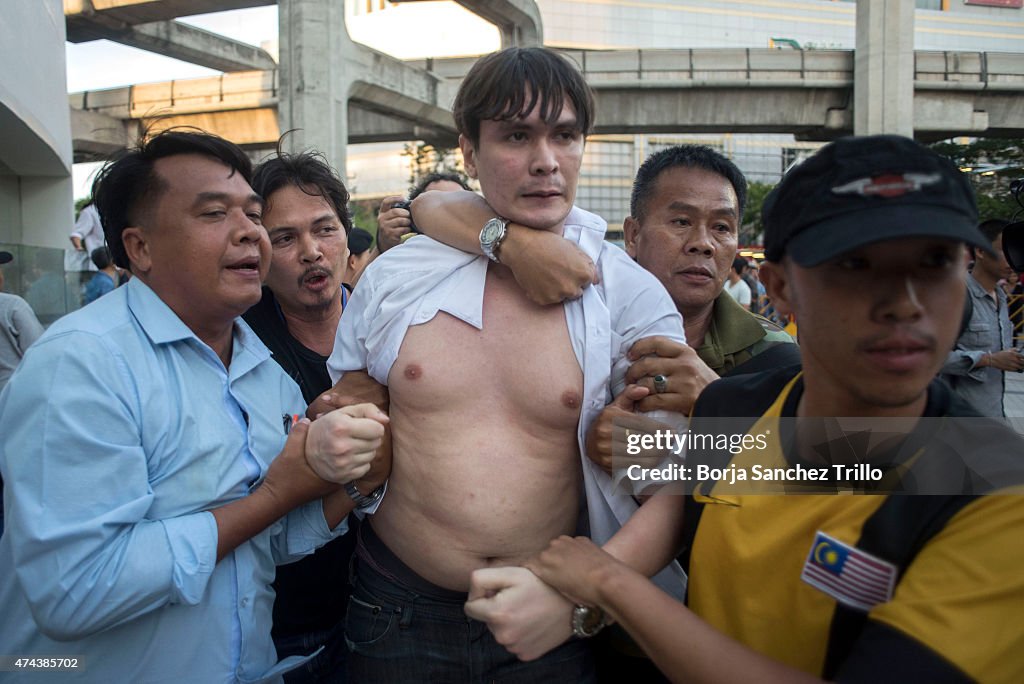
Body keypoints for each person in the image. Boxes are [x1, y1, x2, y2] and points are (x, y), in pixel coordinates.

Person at [526, 134, 1024, 683]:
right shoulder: (742, 404)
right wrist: (616, 442)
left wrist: (605, 585)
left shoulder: (997, 485)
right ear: (781, 287)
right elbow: (713, 475)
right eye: (856, 265)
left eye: (935, 262)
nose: (905, 304)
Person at [324, 46, 688, 682]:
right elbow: (351, 405)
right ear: (469, 152)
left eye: (565, 136)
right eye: (516, 136)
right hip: (396, 608)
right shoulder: (398, 278)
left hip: (551, 616)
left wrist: (579, 598)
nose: (545, 161)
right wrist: (344, 429)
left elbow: (676, 477)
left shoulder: (628, 293)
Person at [0, 130, 389, 683]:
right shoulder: (81, 364)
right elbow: (74, 590)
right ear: (139, 248)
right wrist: (281, 490)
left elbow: (267, 539)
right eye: (213, 214)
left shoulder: (261, 372)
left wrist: (355, 479)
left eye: (253, 215)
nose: (248, 233)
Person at [243, 149, 388, 684]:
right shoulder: (240, 345)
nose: (311, 252)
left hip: (387, 602)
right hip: (289, 623)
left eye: (324, 229)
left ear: (347, 235)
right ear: (258, 249)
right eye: (284, 238)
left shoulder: (390, 324)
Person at [585, 145, 797, 476]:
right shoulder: (577, 333)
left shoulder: (777, 357)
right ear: (633, 235)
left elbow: (838, 475)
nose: (703, 243)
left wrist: (717, 403)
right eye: (682, 221)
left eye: (722, 227)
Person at [941, 218, 1023, 416]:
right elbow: (929, 359)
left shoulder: (1002, 298)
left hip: (993, 417)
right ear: (980, 251)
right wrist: (989, 360)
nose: (1012, 257)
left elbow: (1002, 355)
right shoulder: (954, 296)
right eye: (1004, 249)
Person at [375, 171, 471, 253]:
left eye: (459, 202)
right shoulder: (405, 253)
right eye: (437, 204)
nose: (449, 212)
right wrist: (384, 243)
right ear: (413, 214)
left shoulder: (483, 249)